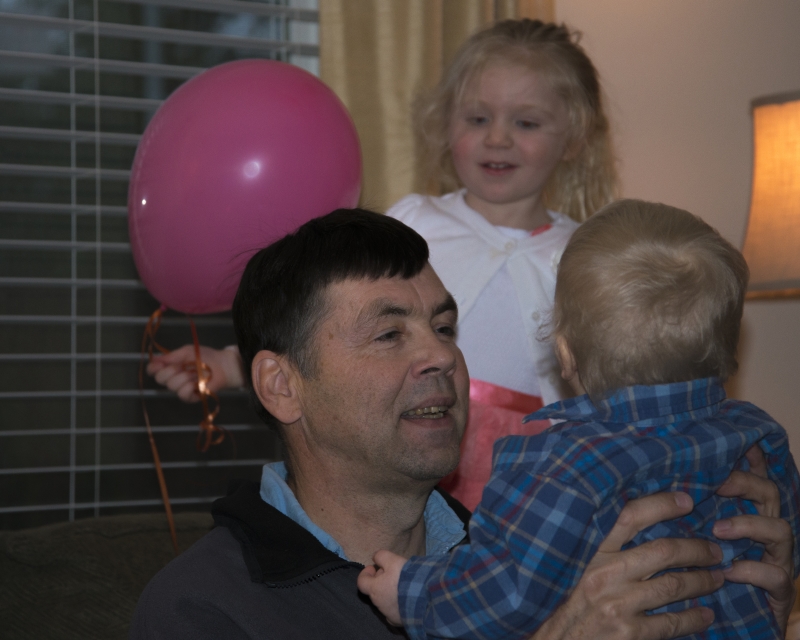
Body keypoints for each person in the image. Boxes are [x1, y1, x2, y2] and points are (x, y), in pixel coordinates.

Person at [131, 208, 797, 640]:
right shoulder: (205, 608)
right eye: (389, 334)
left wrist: (757, 598)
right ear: (283, 386)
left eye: (445, 328)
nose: (442, 357)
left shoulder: (549, 536)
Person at [146, 19, 616, 511]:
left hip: (536, 479)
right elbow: (328, 324)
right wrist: (231, 364)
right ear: (447, 123)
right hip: (399, 447)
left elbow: (607, 379)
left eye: (527, 123)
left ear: (574, 137)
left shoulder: (584, 256)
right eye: (478, 118)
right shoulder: (414, 222)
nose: (497, 138)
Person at [357, 200, 800, 640]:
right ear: (727, 345)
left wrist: (412, 593)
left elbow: (506, 593)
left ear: (564, 352)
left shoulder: (564, 463)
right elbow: (787, 546)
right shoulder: (756, 430)